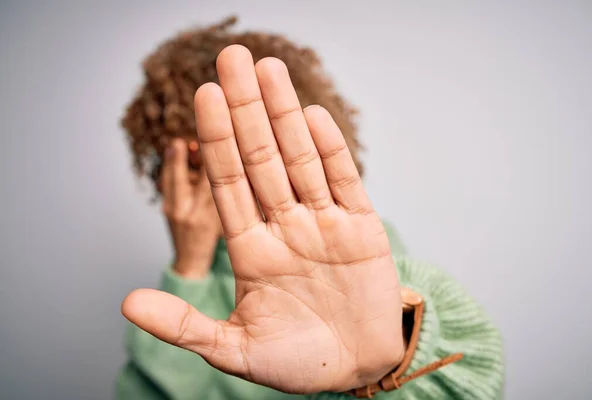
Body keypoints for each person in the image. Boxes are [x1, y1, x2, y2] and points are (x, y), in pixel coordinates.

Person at [117, 17, 505, 400]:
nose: (204, 180)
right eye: (184, 162)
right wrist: (189, 268)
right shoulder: (192, 282)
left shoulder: (355, 255)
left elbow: (472, 375)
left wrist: (388, 365)